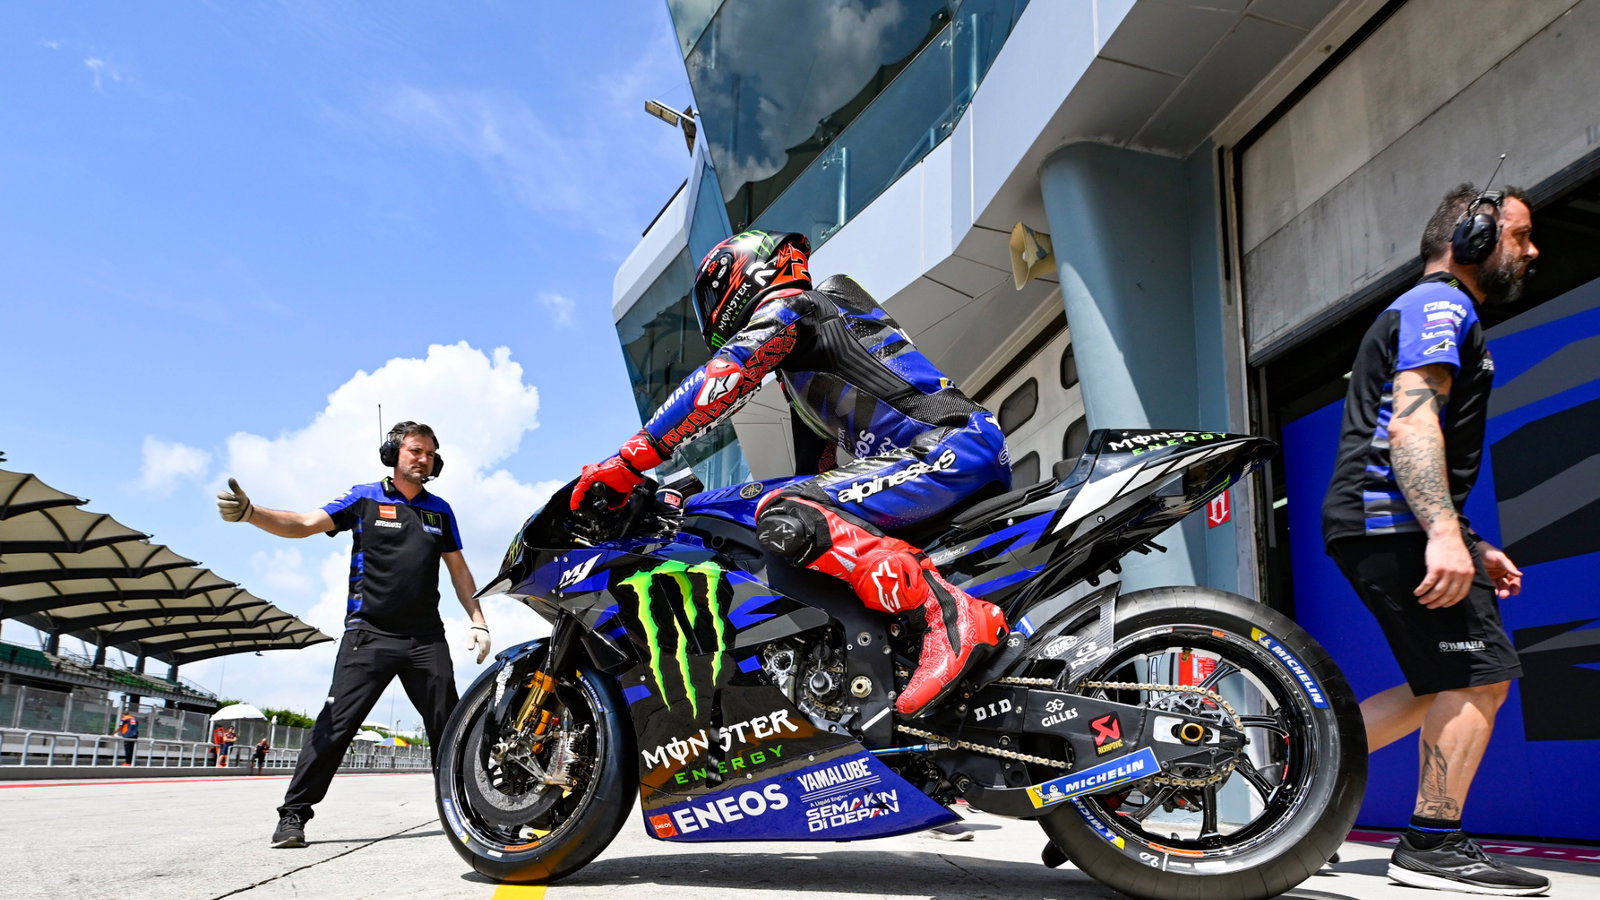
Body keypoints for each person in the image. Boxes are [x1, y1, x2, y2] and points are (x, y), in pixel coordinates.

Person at [571, 231, 1011, 718]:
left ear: (739, 276)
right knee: (796, 521)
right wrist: (690, 506)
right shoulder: (808, 363)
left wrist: (631, 460)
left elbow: (727, 373)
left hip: (947, 447)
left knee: (787, 515)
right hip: (941, 457)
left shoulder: (802, 306)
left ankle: (949, 618)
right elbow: (811, 477)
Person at [1322, 184, 1546, 895]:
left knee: (1443, 685)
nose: (1531, 250)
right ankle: (1432, 845)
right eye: (1520, 236)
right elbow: (1412, 423)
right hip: (1393, 523)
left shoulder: (1433, 309)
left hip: (1386, 521)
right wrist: (1444, 535)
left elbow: (1424, 440)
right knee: (1480, 677)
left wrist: (1468, 539)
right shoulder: (1440, 305)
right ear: (1474, 238)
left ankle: (1298, 792)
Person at [217, 421, 492, 849]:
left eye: (430, 453)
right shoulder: (365, 497)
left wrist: (477, 618)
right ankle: (293, 816)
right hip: (369, 635)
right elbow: (305, 523)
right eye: (416, 450)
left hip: (425, 640)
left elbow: (459, 570)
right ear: (393, 453)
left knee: (451, 729)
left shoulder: (441, 511)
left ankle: (473, 814)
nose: (424, 458)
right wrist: (252, 514)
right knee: (335, 727)